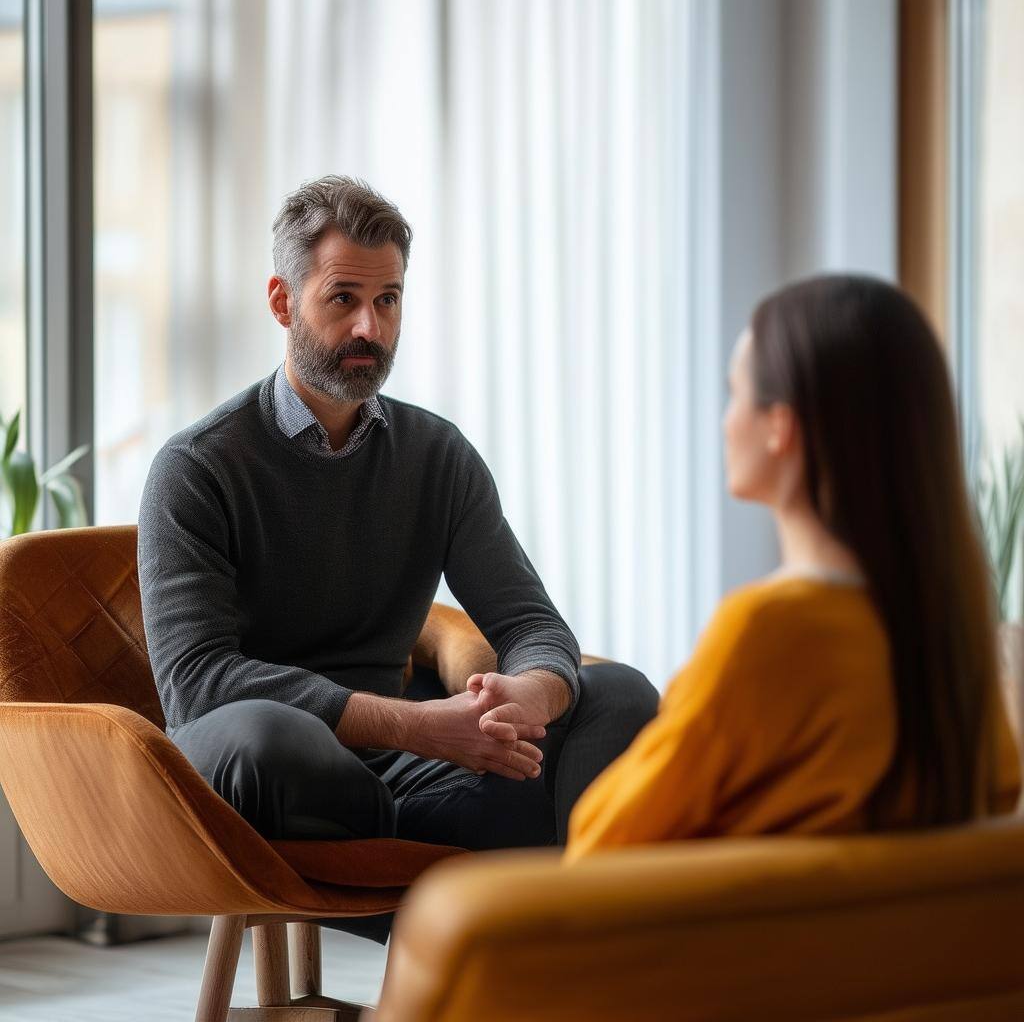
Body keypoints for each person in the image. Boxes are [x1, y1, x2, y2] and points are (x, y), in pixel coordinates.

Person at [137, 175, 657, 938]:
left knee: (620, 696)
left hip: (400, 770)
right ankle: (466, 858)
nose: (370, 329)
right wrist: (420, 730)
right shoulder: (198, 467)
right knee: (270, 740)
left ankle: (577, 932)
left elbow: (533, 623)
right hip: (268, 760)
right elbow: (197, 684)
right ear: (283, 303)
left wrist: (530, 698)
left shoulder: (435, 456)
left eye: (389, 301)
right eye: (343, 299)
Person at [566, 274, 1021, 860]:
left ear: (781, 425)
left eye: (735, 393)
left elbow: (600, 845)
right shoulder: (955, 638)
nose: (726, 420)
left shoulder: (767, 632)